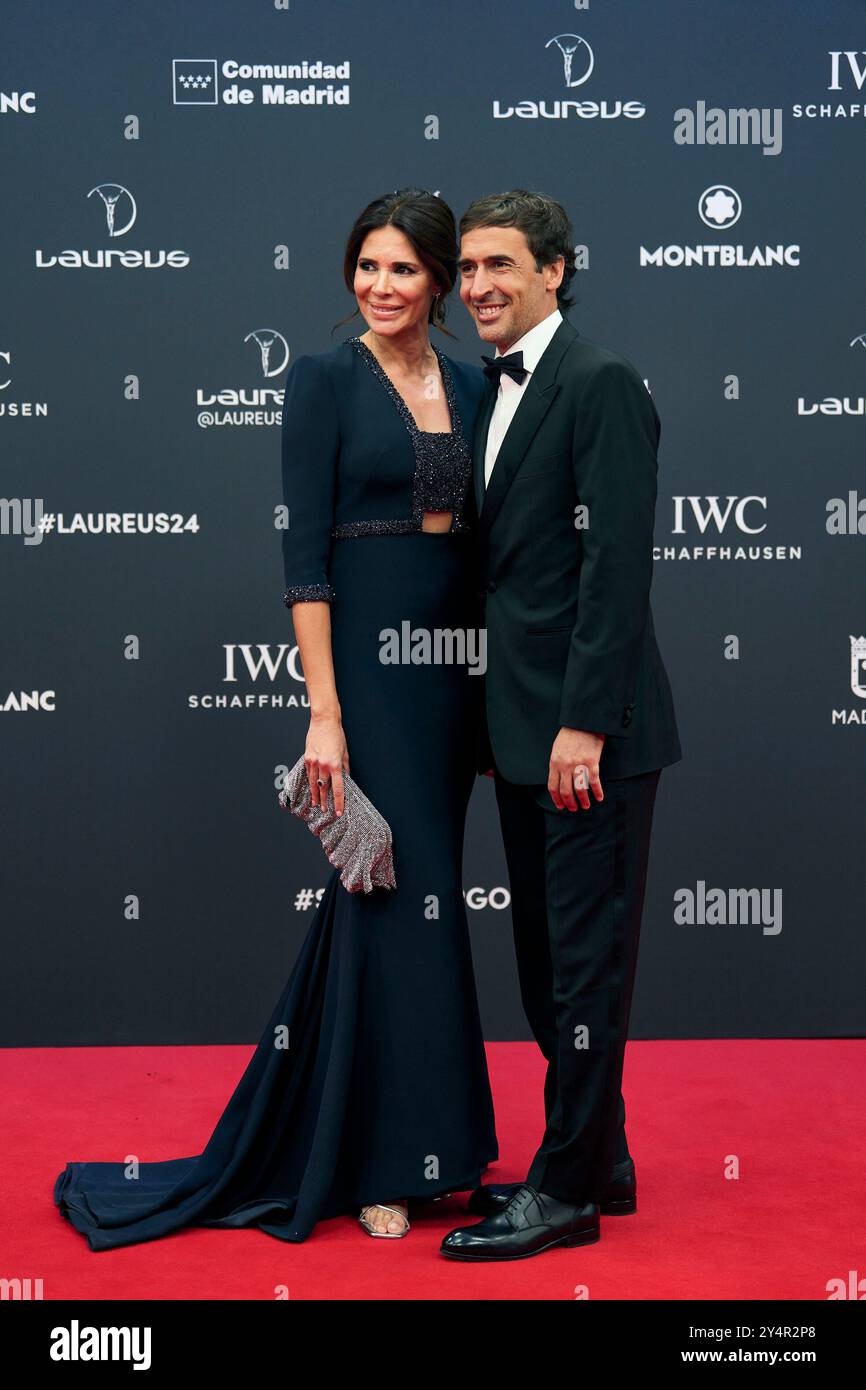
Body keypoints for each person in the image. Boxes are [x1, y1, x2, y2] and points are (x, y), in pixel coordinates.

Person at [53, 189, 497, 1249]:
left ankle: (432, 1147)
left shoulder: (475, 385)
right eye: (365, 266)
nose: (379, 287)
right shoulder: (322, 380)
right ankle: (378, 1162)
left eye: (400, 270)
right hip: (371, 678)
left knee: (418, 903)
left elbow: (481, 539)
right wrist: (324, 715)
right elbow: (305, 560)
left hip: (452, 672)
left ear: (436, 280)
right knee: (387, 889)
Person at [439, 190, 682, 1261]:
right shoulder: (483, 391)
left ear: (552, 269)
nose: (476, 285)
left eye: (498, 264)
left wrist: (581, 725)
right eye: (466, 269)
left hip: (591, 736)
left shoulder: (599, 383)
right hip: (521, 735)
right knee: (546, 964)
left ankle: (566, 1191)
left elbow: (613, 567)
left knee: (581, 967)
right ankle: (602, 1158)